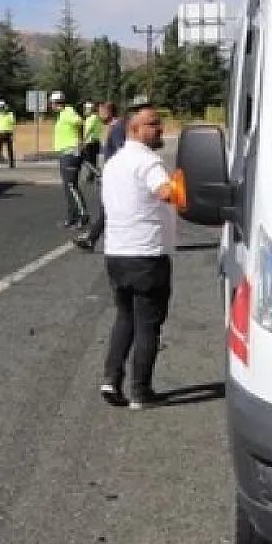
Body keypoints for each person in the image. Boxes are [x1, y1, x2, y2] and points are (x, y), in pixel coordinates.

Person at [98, 101, 178, 409]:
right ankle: (140, 391)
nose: (160, 129)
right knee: (148, 324)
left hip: (117, 253)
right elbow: (166, 193)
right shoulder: (149, 162)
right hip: (147, 253)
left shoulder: (114, 163)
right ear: (134, 129)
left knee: (125, 317)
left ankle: (111, 379)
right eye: (153, 124)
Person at [74, 100, 122, 251]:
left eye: (101, 111)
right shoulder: (114, 127)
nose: (99, 114)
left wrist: (114, 174)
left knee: (109, 208)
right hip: (112, 175)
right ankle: (91, 239)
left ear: (109, 112)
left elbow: (121, 153)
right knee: (108, 209)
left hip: (116, 176)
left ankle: (92, 239)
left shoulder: (117, 129)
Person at [50, 90, 88, 228]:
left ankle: (83, 216)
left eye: (52, 103)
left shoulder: (68, 112)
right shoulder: (62, 115)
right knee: (68, 187)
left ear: (56, 103)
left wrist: (80, 142)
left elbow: (80, 122)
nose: (51, 106)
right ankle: (72, 217)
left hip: (71, 153)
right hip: (65, 154)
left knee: (72, 186)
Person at [0, 101, 16, 169]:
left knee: (10, 149)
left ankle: (11, 163)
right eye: (1, 107)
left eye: (3, 107)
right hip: (0, 133)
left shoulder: (10, 115)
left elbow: (13, 123)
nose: (2, 109)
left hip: (8, 133)